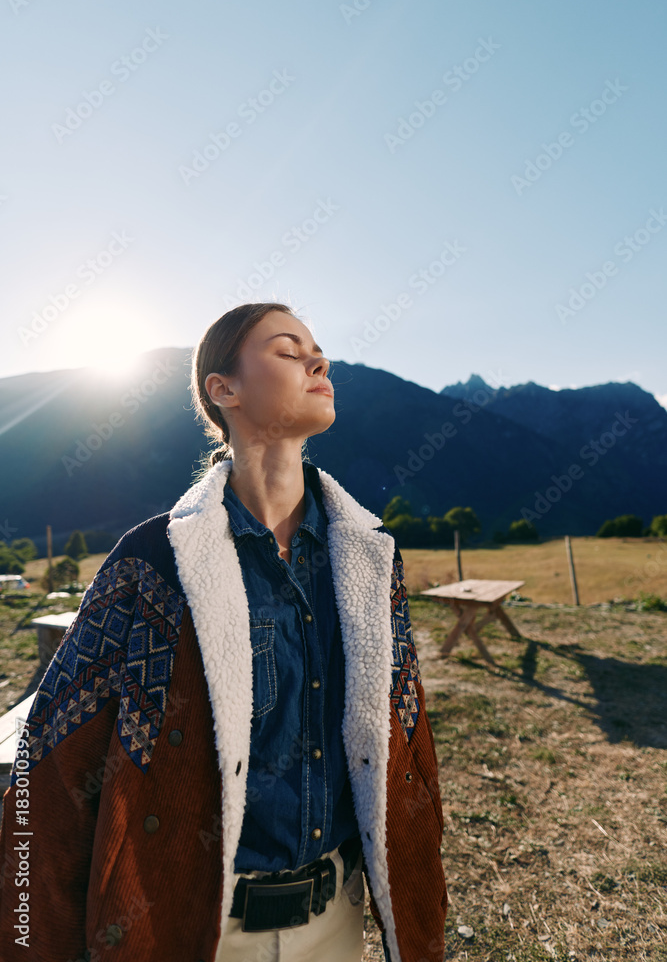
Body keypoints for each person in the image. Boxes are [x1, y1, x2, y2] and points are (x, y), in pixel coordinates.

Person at [0, 301, 447, 962]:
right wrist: (28, 937)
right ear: (224, 389)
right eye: (288, 350)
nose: (319, 361)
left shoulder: (371, 558)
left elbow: (408, 743)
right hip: (192, 929)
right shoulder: (152, 563)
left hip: (337, 922)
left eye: (318, 351)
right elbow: (50, 762)